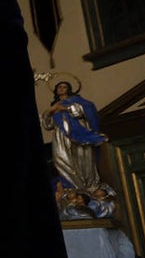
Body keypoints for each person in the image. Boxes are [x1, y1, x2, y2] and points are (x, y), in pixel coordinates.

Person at [42, 75, 112, 203]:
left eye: (64, 86)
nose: (61, 89)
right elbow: (48, 125)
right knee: (60, 160)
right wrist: (50, 111)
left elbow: (81, 112)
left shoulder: (77, 101)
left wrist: (65, 108)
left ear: (69, 89)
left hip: (78, 135)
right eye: (59, 87)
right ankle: (70, 188)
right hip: (61, 137)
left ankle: (87, 188)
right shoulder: (54, 106)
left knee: (82, 159)